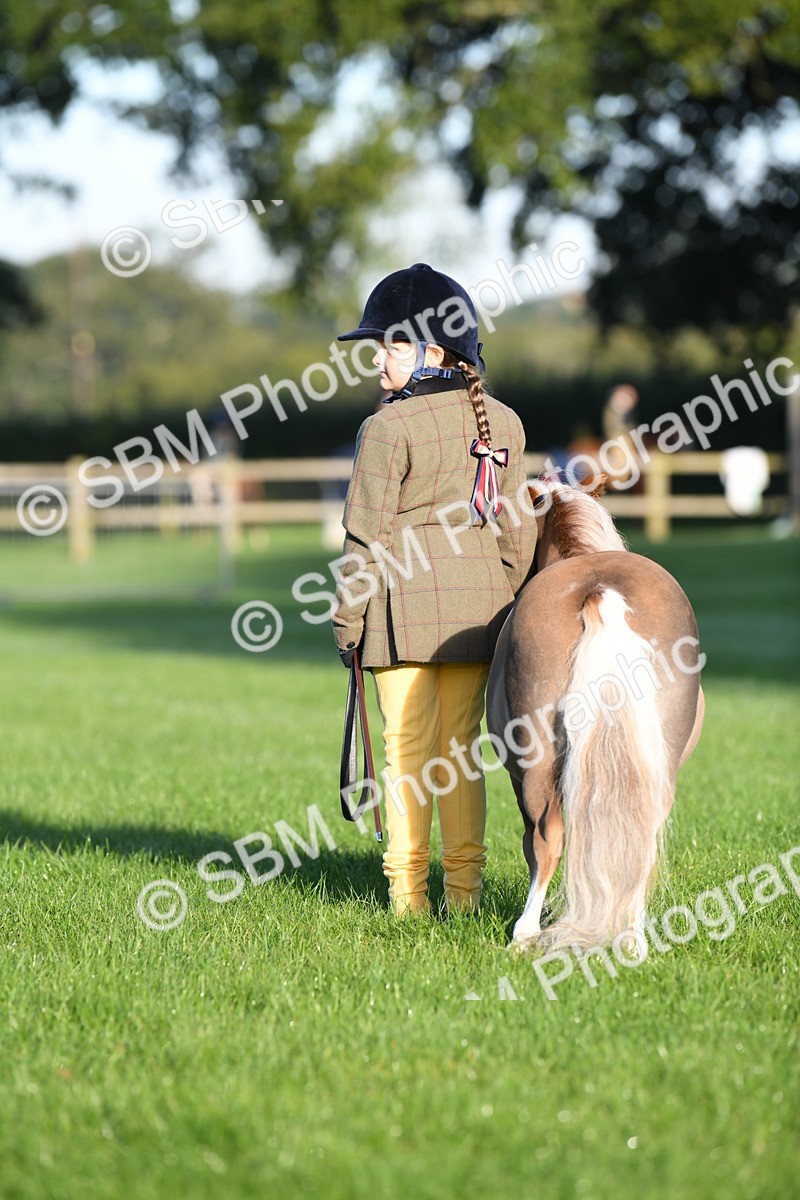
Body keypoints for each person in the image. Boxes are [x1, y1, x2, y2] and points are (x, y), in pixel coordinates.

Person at [330, 262, 537, 918]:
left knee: (406, 753)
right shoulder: (504, 422)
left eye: (390, 345)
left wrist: (346, 622)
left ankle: (408, 898)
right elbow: (516, 533)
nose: (378, 361)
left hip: (401, 614)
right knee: (460, 755)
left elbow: (364, 540)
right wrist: (498, 595)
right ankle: (467, 897)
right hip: (480, 612)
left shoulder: (385, 429)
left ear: (433, 351)